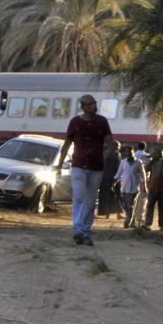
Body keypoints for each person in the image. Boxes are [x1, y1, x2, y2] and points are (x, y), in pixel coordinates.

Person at [57, 94, 114, 246]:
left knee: (90, 201)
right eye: (90, 104)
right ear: (83, 106)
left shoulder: (102, 121)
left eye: (94, 103)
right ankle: (78, 230)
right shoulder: (75, 122)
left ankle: (86, 231)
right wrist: (59, 164)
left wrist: (105, 157)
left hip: (96, 167)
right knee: (79, 198)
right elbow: (67, 144)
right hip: (78, 166)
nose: (94, 106)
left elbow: (111, 142)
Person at [114, 145, 147, 229]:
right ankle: (132, 222)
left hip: (134, 188)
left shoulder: (138, 162)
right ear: (125, 153)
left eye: (130, 151)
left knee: (130, 205)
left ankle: (127, 220)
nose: (128, 153)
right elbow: (118, 174)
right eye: (127, 152)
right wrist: (114, 182)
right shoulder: (123, 162)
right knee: (125, 205)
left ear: (133, 152)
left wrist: (145, 186)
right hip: (124, 187)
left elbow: (143, 175)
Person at [145, 148, 163, 231]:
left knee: (155, 207)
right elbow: (145, 169)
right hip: (156, 189)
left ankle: (152, 225)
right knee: (157, 207)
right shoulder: (156, 163)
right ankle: (156, 225)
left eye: (156, 153)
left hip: (160, 189)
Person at [98, 141, 123, 218]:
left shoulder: (103, 153)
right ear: (115, 146)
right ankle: (119, 214)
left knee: (106, 196)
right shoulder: (117, 154)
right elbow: (119, 168)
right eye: (119, 146)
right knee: (117, 196)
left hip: (104, 179)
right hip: (114, 178)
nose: (119, 148)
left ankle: (107, 214)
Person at [132, 141, 150, 226]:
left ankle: (130, 218)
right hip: (144, 180)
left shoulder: (133, 155)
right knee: (142, 199)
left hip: (133, 180)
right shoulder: (147, 156)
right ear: (145, 147)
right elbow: (149, 168)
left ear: (137, 147)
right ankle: (139, 218)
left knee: (132, 199)